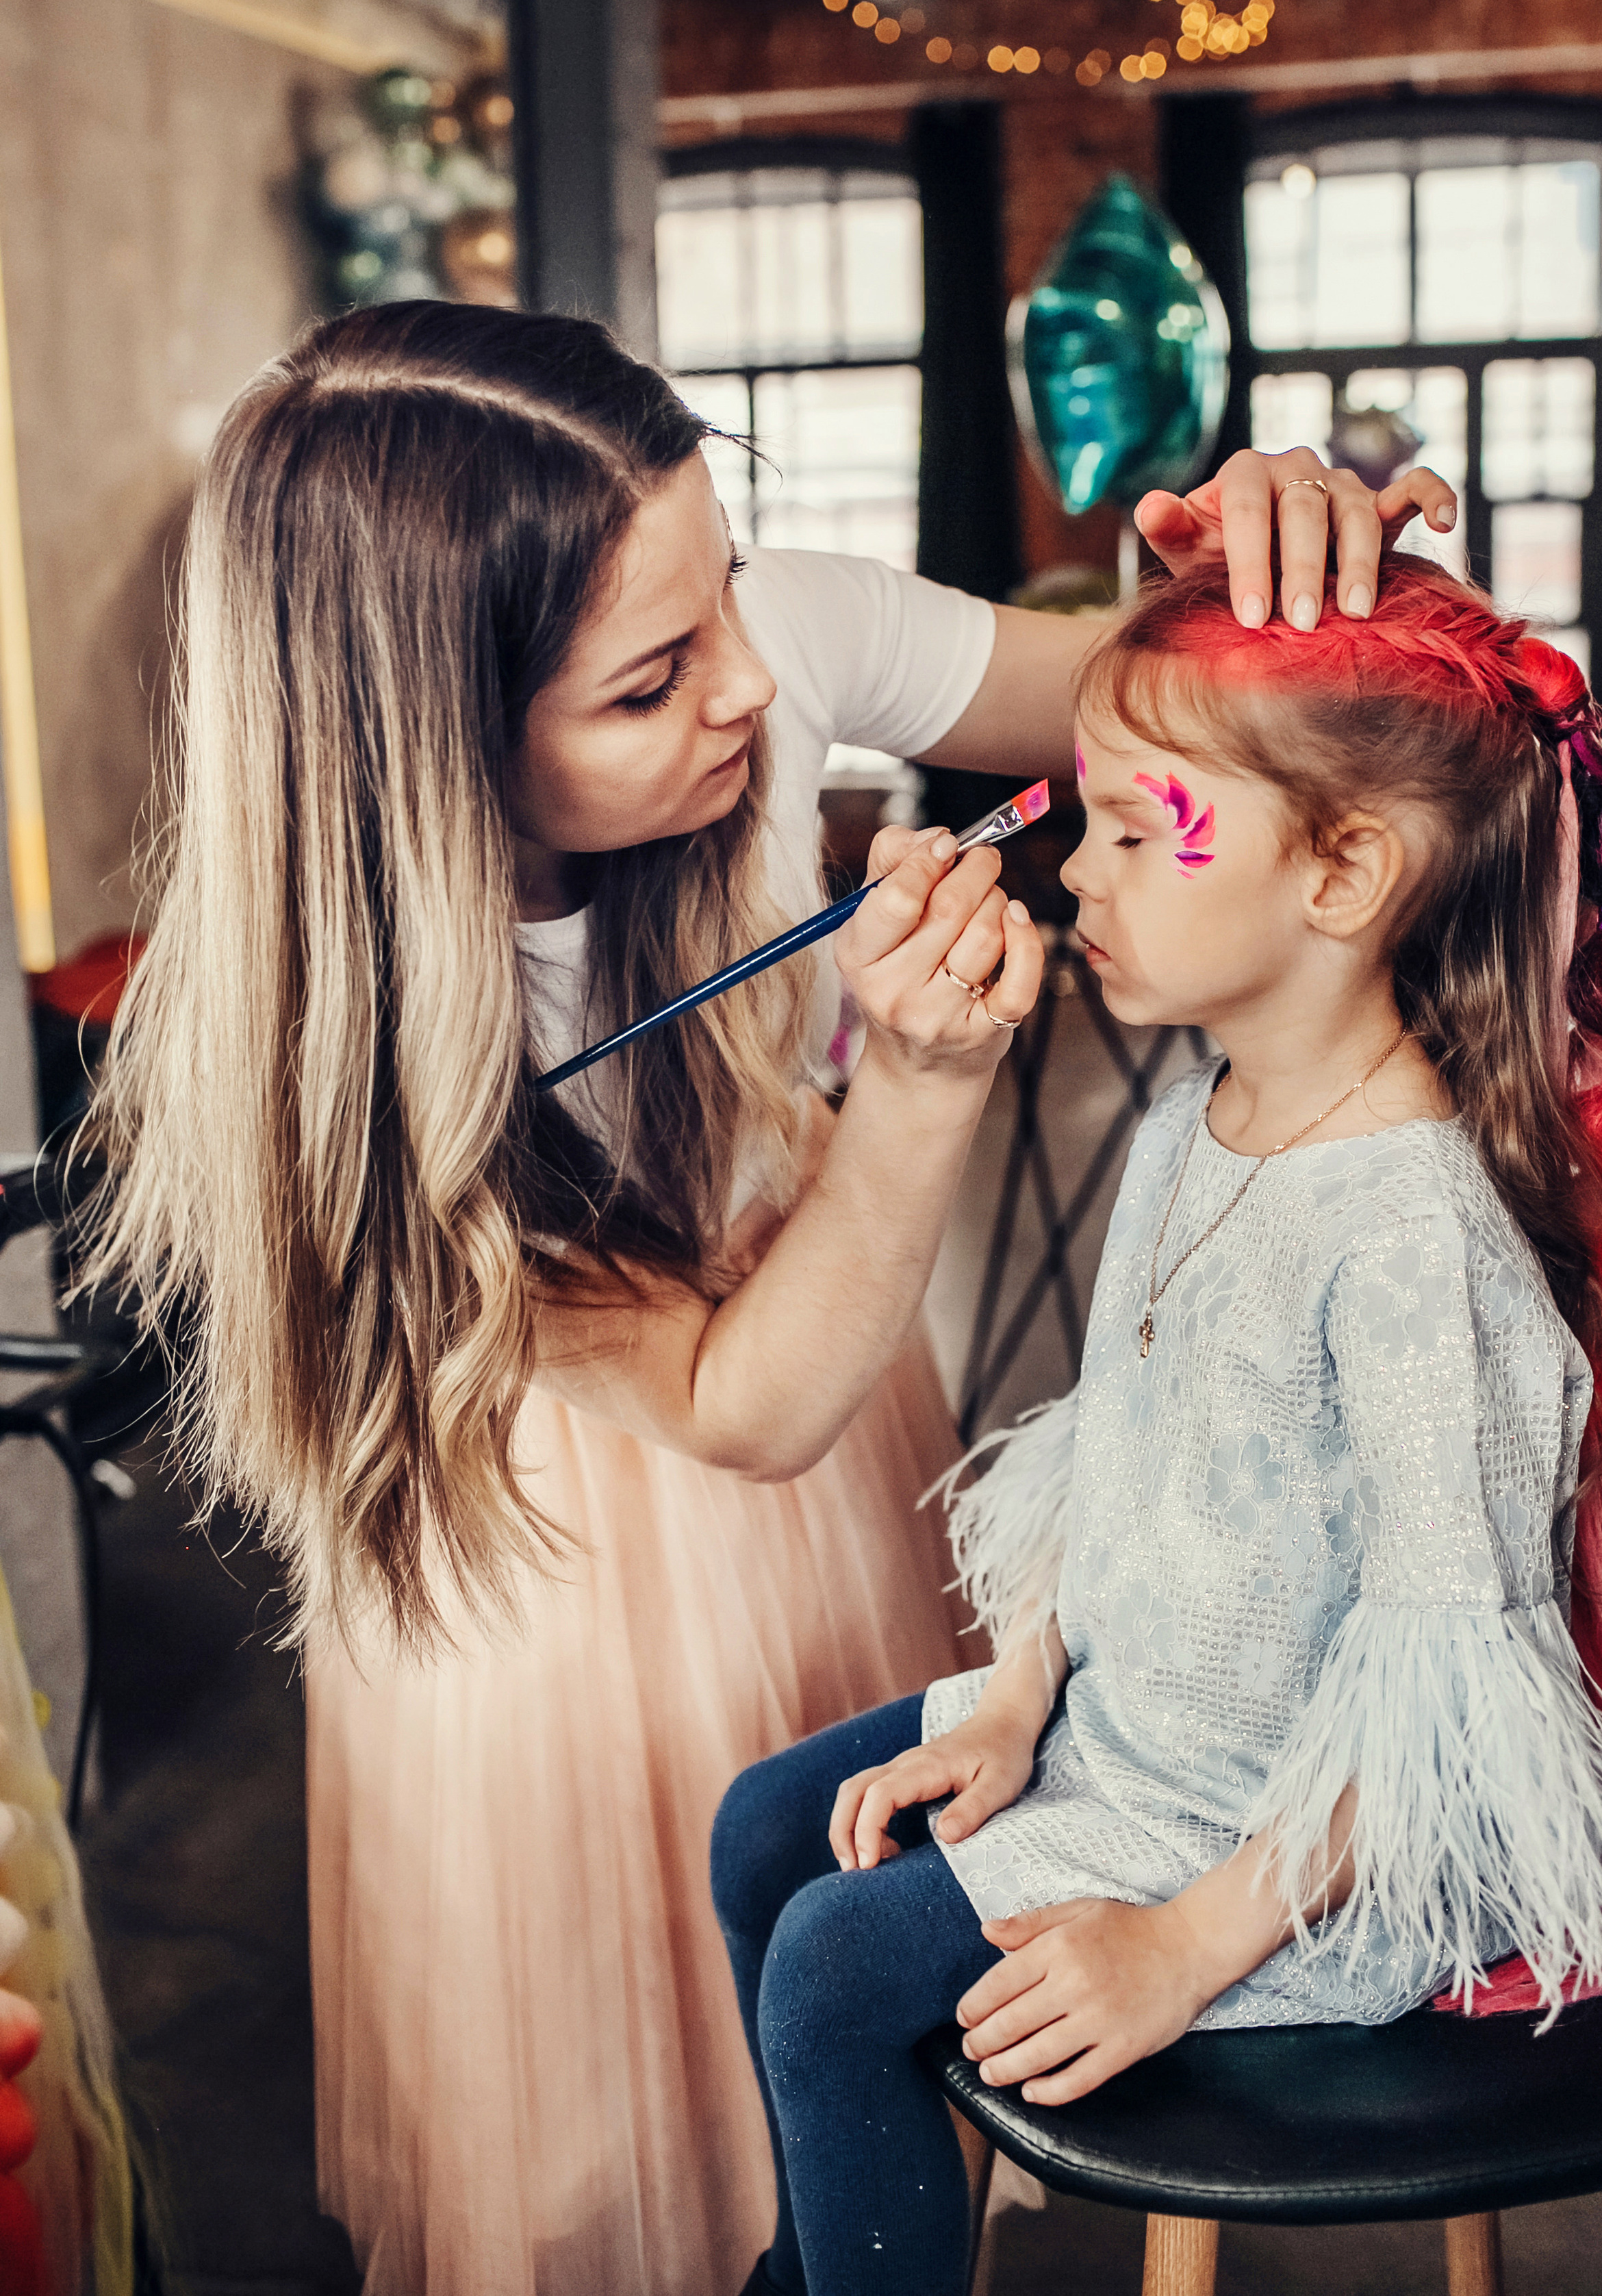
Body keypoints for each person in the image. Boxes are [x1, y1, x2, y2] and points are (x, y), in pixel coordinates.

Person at [76, 299, 1455, 2296]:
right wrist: (911, 1087)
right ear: (437, 743)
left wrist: (1284, 561)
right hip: (545, 1554)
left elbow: (1151, 699)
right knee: (601, 2128)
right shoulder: (345, 1064)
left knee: (855, 1978)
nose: (748, 679)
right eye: (651, 679)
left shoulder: (759, 638)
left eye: (721, 576)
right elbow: (734, 1400)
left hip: (832, 1424)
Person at [713, 555, 1602, 2296]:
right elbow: (1115, 1452)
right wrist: (1022, 1692)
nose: (1073, 869)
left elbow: (1440, 1694)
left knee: (828, 1973)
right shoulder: (1198, 1112)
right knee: (767, 1825)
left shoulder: (1419, 1238)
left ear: (1342, 869)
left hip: (1304, 1840)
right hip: (1139, 1722)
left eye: (1137, 830)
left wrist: (1184, 1947)